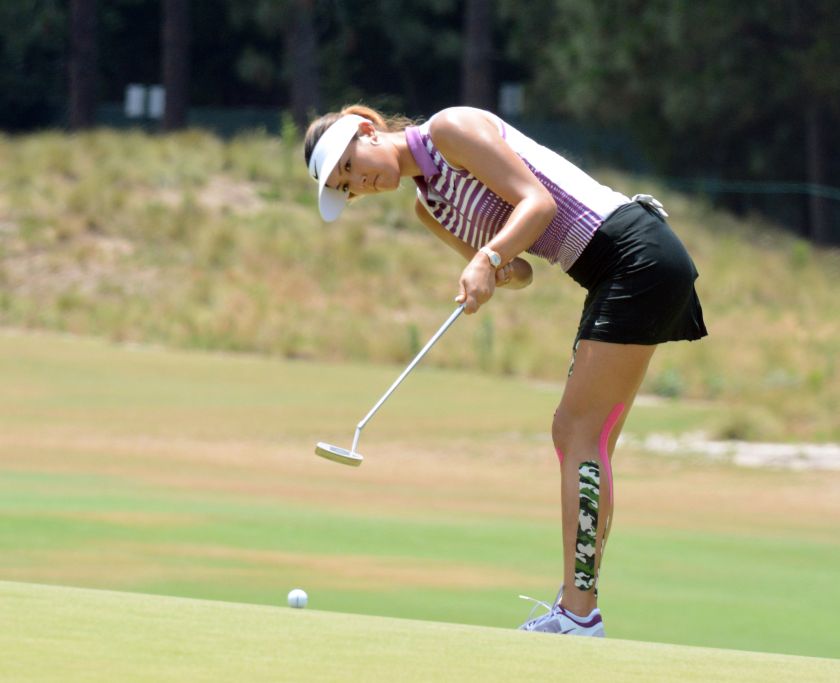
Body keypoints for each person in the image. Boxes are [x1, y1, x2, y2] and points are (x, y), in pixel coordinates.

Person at [303, 104, 707, 637]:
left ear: (367, 131)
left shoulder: (450, 130)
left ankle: (579, 614)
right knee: (583, 435)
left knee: (578, 432)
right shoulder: (430, 208)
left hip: (634, 252)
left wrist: (487, 259)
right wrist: (491, 273)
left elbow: (536, 204)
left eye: (351, 165)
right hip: (615, 270)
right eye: (348, 186)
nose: (362, 182)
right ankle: (578, 608)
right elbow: (521, 270)